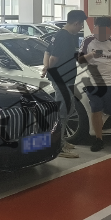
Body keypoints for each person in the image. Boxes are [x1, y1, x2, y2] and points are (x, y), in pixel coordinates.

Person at [42, 9, 87, 158]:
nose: (81, 28)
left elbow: (47, 52)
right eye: (81, 25)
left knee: (69, 108)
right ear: (76, 23)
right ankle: (58, 146)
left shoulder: (60, 34)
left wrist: (46, 67)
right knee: (62, 111)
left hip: (66, 79)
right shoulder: (64, 37)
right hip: (61, 79)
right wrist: (49, 66)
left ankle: (61, 140)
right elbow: (53, 57)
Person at [77, 17, 111, 154]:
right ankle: (98, 139)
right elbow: (80, 60)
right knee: (95, 110)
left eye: (105, 32)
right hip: (94, 83)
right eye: (99, 31)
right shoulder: (88, 41)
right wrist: (91, 55)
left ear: (109, 30)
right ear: (94, 28)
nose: (102, 35)